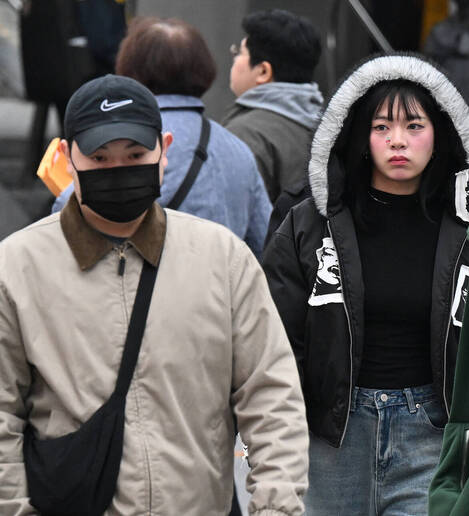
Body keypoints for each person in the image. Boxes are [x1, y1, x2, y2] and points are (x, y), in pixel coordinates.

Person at [0, 75, 308, 515]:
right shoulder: (16, 266)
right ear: (67, 158)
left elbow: (271, 394)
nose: (118, 169)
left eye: (135, 154)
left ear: (165, 150)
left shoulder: (222, 258)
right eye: (100, 157)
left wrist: (276, 506)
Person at [263, 54, 469, 515]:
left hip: (430, 430)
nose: (398, 141)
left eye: (413, 126)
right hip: (332, 434)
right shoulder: (310, 223)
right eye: (382, 127)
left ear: (440, 133)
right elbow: (275, 332)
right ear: (360, 137)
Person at [51, 16, 271, 258]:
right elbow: (265, 244)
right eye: (100, 158)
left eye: (136, 155)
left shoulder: (114, 141)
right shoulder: (238, 150)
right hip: (220, 289)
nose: (126, 160)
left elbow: (64, 222)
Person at [223, 9, 324, 204]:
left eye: (239, 53)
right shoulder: (329, 125)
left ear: (263, 71)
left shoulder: (246, 133)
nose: (234, 59)